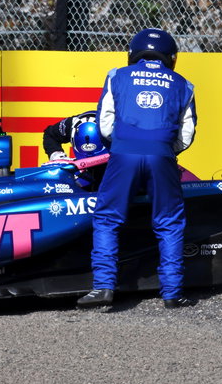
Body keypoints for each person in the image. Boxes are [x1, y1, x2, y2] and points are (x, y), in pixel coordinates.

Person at [77, 28, 197, 310]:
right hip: (162, 155)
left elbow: (104, 125)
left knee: (107, 218)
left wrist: (123, 143)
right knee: (169, 223)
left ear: (133, 54)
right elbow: (187, 134)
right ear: (171, 58)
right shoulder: (185, 85)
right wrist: (165, 149)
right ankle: (172, 293)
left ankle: (103, 288)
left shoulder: (116, 76)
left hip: (123, 152)